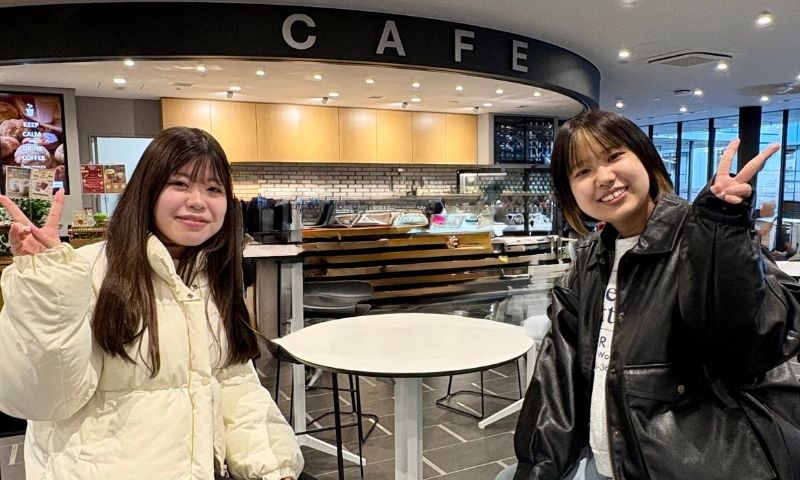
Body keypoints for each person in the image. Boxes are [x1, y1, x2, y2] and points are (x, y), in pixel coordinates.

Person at [498, 110, 800, 480]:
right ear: (569, 192)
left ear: (645, 157)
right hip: (610, 462)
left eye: (613, 156)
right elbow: (557, 381)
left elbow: (748, 349)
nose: (603, 177)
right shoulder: (589, 260)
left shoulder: (705, 236)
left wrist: (722, 232)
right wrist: (536, 469)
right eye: (582, 171)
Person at [0, 127, 304, 480]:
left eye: (214, 189)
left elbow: (233, 380)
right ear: (148, 190)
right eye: (179, 183)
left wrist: (273, 465)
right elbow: (43, 400)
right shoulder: (87, 271)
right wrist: (46, 290)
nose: (198, 201)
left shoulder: (209, 275)